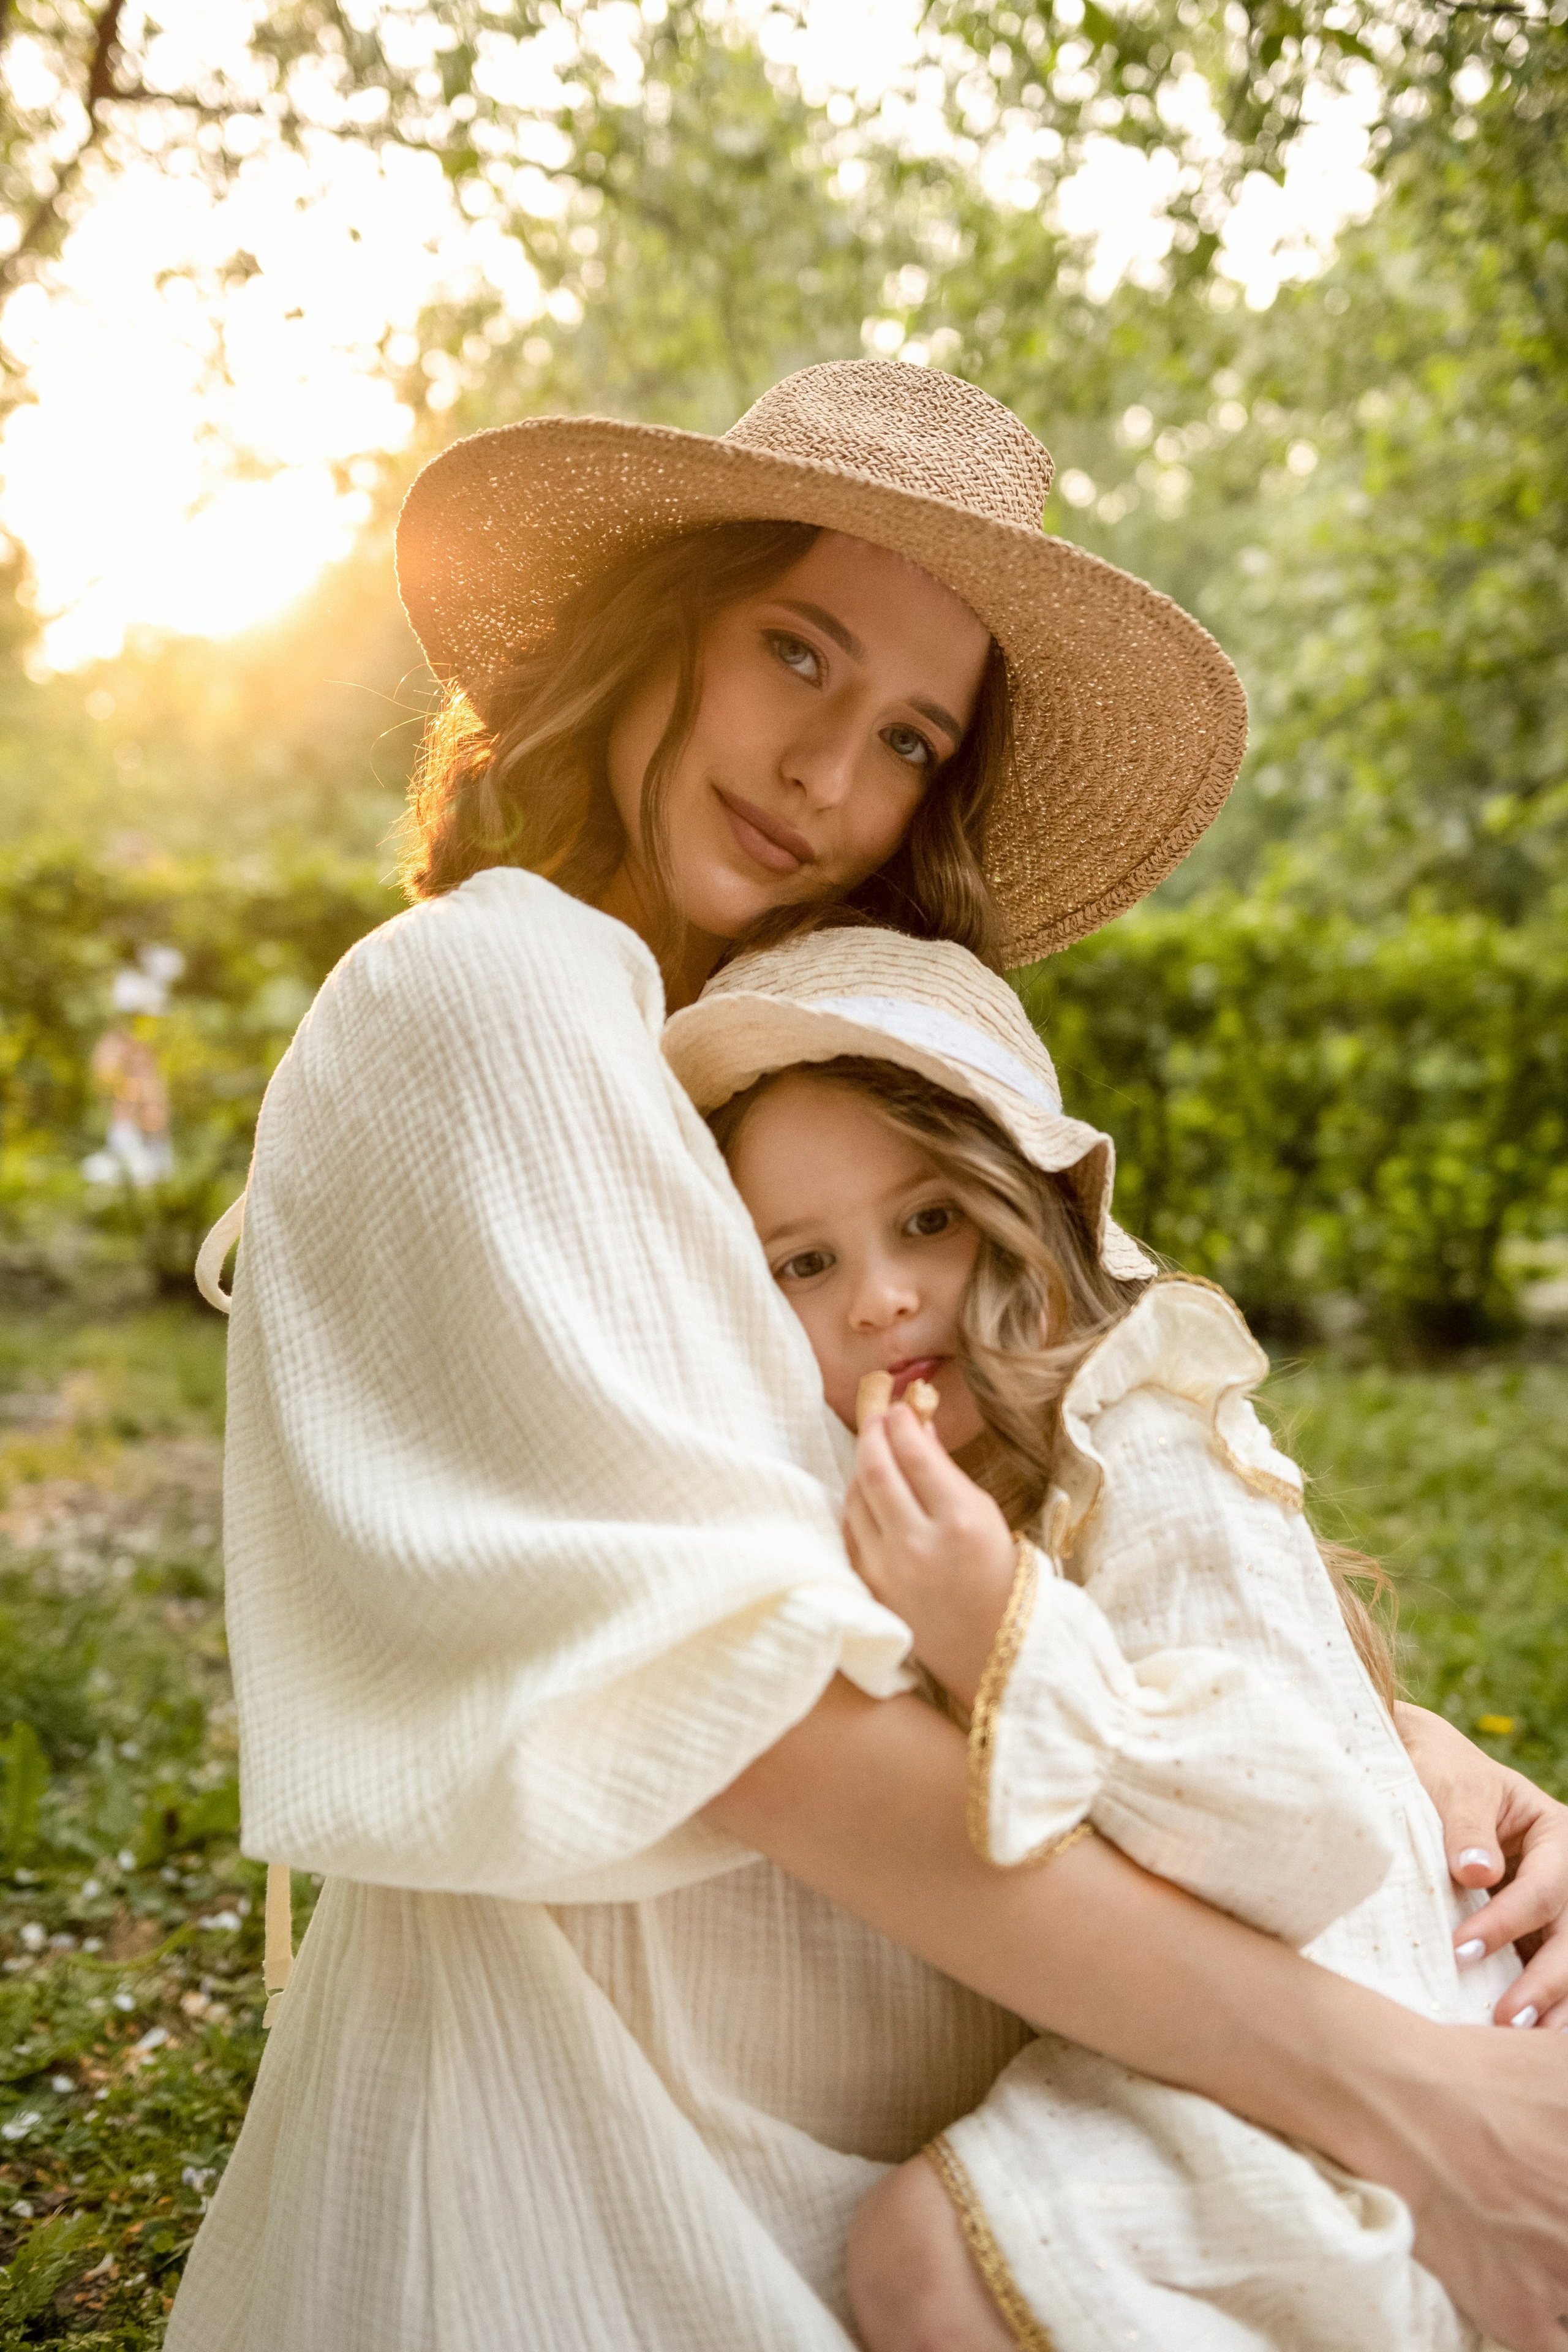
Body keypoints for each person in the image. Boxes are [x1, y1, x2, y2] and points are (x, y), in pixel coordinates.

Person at [172, 360, 1568, 2352]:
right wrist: (1420, 2104)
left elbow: (1105, 1451)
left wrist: (1415, 1779)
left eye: (910, 734)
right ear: (663, 623)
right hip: (652, 2158)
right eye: (797, 651)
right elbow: (769, 1734)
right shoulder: (486, 995)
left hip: (1018, 2101)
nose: (832, 772)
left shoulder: (837, 1059)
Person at [665, 919, 1524, 2350]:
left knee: (927, 2256)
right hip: (1192, 2027)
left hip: (1348, 2015)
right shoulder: (924, 1489)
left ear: (1026, 1210)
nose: (876, 1298)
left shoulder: (1145, 1444)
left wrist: (987, 1624)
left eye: (926, 1222)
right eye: (801, 1264)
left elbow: (1299, 1839)